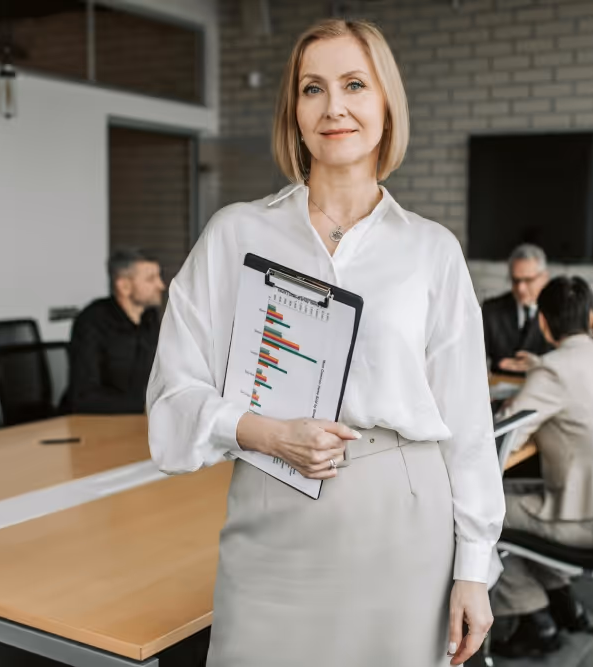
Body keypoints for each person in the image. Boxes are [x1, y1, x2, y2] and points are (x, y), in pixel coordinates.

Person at [146, 19, 503, 667]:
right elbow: (172, 399)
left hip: (404, 517)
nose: (334, 105)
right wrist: (262, 431)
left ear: (385, 104)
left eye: (354, 85)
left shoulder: (431, 250)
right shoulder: (235, 235)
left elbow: (469, 423)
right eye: (313, 88)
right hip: (272, 506)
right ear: (295, 112)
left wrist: (474, 566)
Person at [490, 276, 593, 659]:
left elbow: (504, 439)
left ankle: (532, 614)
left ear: (542, 323)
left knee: (479, 510)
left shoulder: (552, 371)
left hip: (581, 521)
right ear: (590, 317)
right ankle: (559, 593)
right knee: (512, 495)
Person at [65, 248, 164, 414]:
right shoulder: (92, 321)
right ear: (124, 286)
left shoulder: (150, 319)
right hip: (94, 424)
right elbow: (84, 398)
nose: (161, 285)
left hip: (138, 422)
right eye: (150, 279)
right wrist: (144, 406)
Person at [482, 244, 553, 375]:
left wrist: (539, 364)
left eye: (528, 280)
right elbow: (475, 358)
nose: (521, 288)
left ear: (544, 278)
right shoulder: (491, 310)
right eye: (515, 280)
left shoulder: (557, 311)